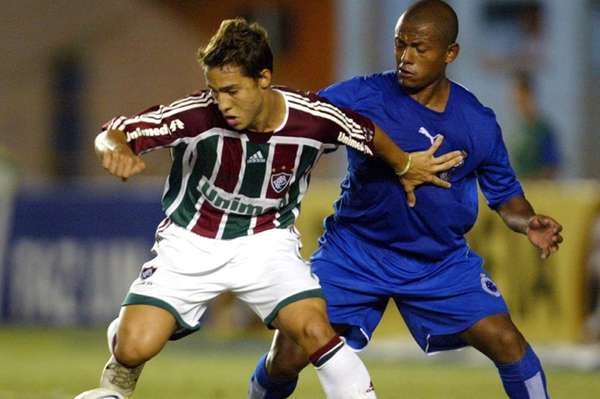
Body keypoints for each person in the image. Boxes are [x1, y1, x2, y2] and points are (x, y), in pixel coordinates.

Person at [76, 18, 464, 399]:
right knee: (133, 348)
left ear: (263, 78)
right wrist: (114, 150)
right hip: (192, 242)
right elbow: (117, 132)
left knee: (316, 330)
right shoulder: (196, 115)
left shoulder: (311, 118)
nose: (222, 103)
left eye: (232, 90)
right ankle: (123, 356)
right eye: (215, 92)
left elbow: (365, 131)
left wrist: (405, 165)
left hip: (266, 242)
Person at [248, 1, 563, 398]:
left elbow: (507, 198)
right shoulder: (361, 96)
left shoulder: (477, 122)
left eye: (419, 48)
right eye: (400, 45)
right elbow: (302, 117)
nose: (406, 58)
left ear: (450, 53)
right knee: (290, 351)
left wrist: (528, 221)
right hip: (356, 251)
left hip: (438, 262)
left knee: (506, 341)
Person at [510, 72, 561, 179]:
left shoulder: (543, 130)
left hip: (537, 192)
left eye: (521, 96)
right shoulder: (517, 131)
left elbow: (552, 168)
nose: (518, 101)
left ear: (530, 95)